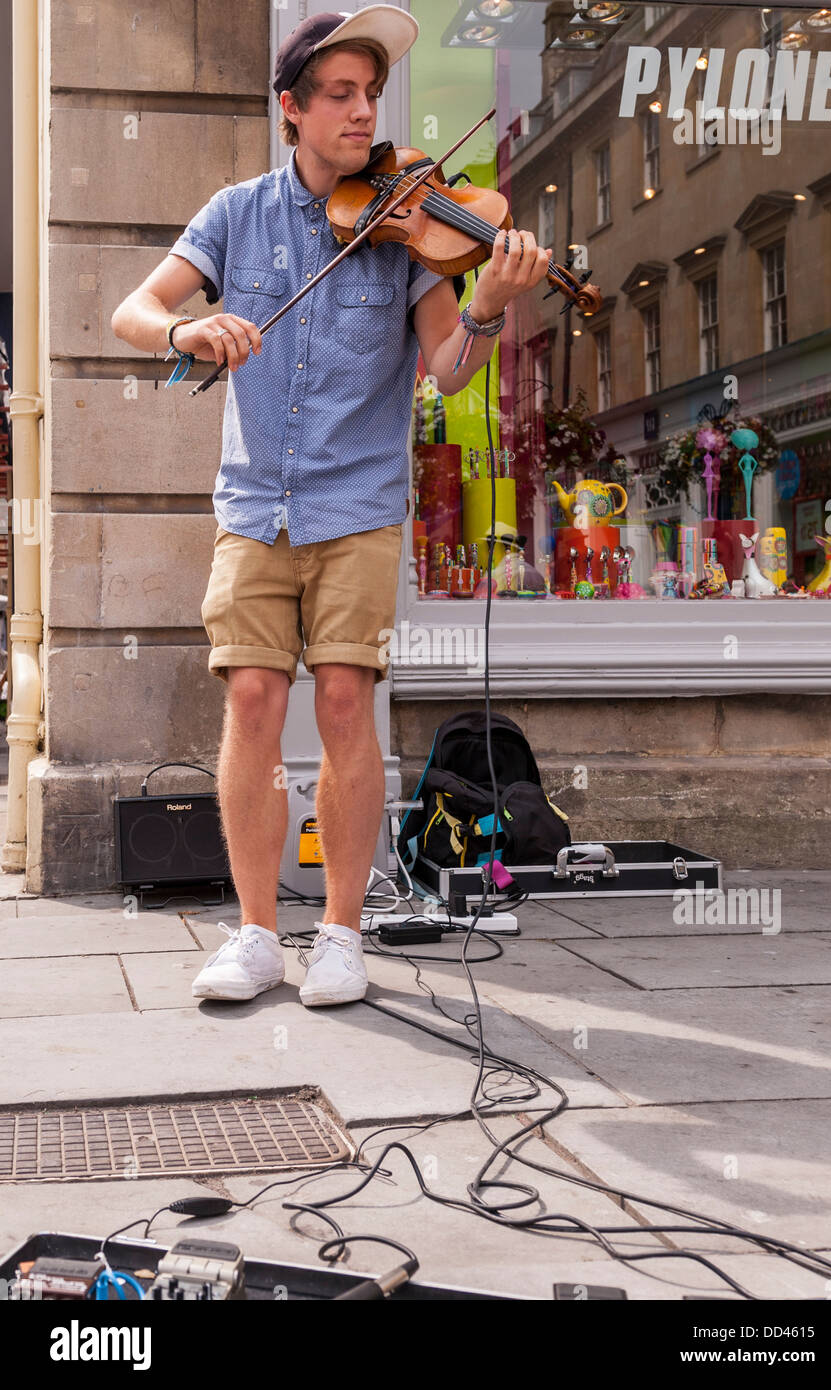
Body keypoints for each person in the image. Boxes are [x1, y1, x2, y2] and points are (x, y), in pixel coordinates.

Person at [110, 6, 551, 1008]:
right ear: (292, 112)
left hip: (357, 503)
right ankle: (259, 932)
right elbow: (132, 311)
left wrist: (485, 307)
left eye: (370, 95)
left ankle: (343, 932)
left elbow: (445, 369)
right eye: (340, 96)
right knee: (253, 700)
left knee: (346, 697)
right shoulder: (236, 213)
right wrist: (189, 330)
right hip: (254, 501)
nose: (363, 113)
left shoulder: (409, 232)